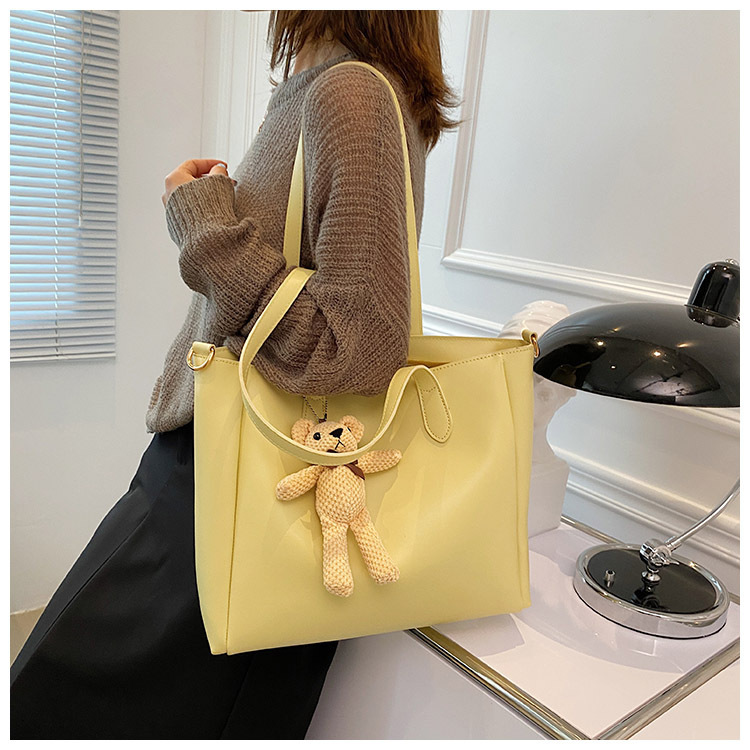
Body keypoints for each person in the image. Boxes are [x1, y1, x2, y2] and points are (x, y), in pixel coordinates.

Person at [10, 10, 457, 739]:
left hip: (240, 488)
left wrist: (207, 229)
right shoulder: (327, 87)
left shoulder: (351, 94)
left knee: (44, 705)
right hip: (222, 474)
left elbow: (360, 348)